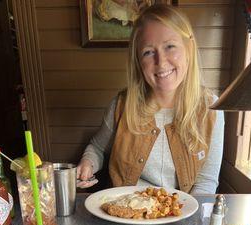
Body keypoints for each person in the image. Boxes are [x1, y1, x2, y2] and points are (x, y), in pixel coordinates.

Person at [77, 4, 224, 194]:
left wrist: (185, 220)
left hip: (177, 214)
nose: (161, 62)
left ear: (189, 48)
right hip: (123, 213)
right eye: (148, 52)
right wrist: (87, 163)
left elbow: (206, 181)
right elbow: (96, 148)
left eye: (170, 46)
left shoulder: (211, 109)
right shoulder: (121, 105)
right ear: (138, 61)